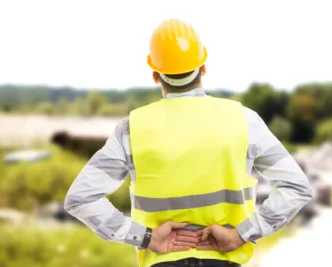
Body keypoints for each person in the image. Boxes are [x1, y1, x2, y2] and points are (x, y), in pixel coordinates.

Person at [64, 18, 313, 267]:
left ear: (155, 74)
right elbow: (297, 188)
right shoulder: (244, 120)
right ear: (203, 67)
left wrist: (144, 237)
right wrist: (241, 234)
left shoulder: (132, 128)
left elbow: (80, 198)